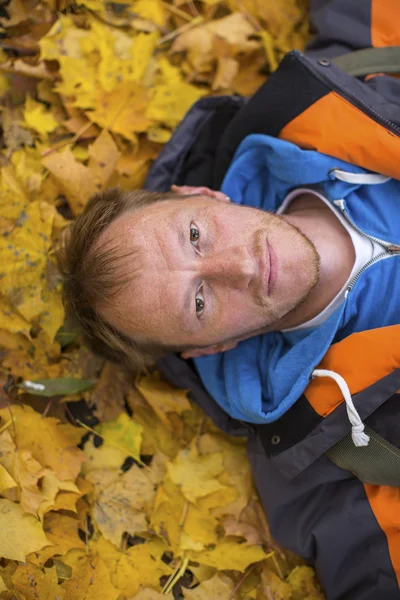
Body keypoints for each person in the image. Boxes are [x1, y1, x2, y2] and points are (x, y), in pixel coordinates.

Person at [59, 1, 400, 598]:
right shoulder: (331, 476)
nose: (238, 266)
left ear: (204, 195)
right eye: (199, 301)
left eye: (196, 235)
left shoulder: (346, 84)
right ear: (213, 346)